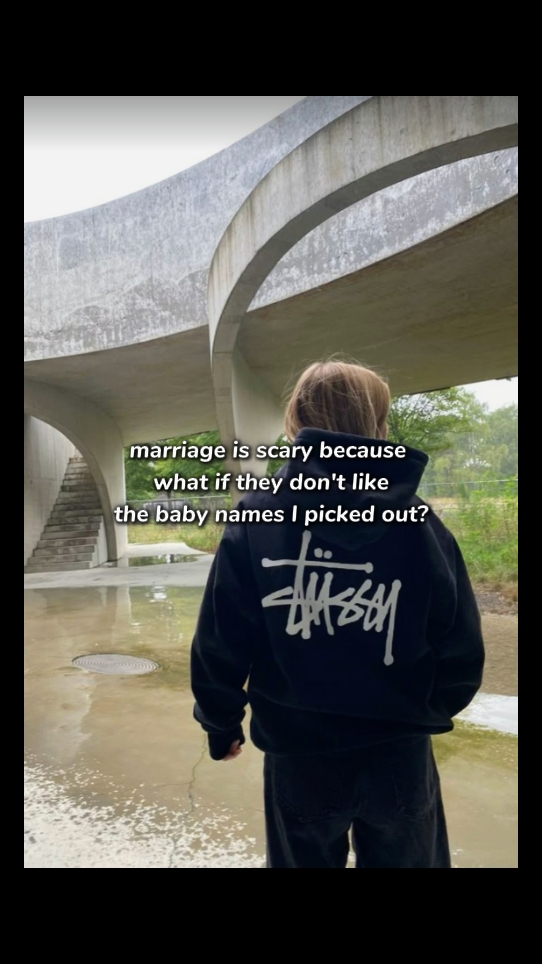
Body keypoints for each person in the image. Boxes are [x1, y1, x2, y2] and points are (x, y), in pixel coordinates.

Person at [190, 360, 484, 868]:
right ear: (378, 424)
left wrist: (221, 722)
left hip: (299, 754)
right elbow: (460, 640)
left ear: (295, 421)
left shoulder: (257, 518)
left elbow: (222, 637)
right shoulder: (420, 524)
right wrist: (424, 710)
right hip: (399, 753)